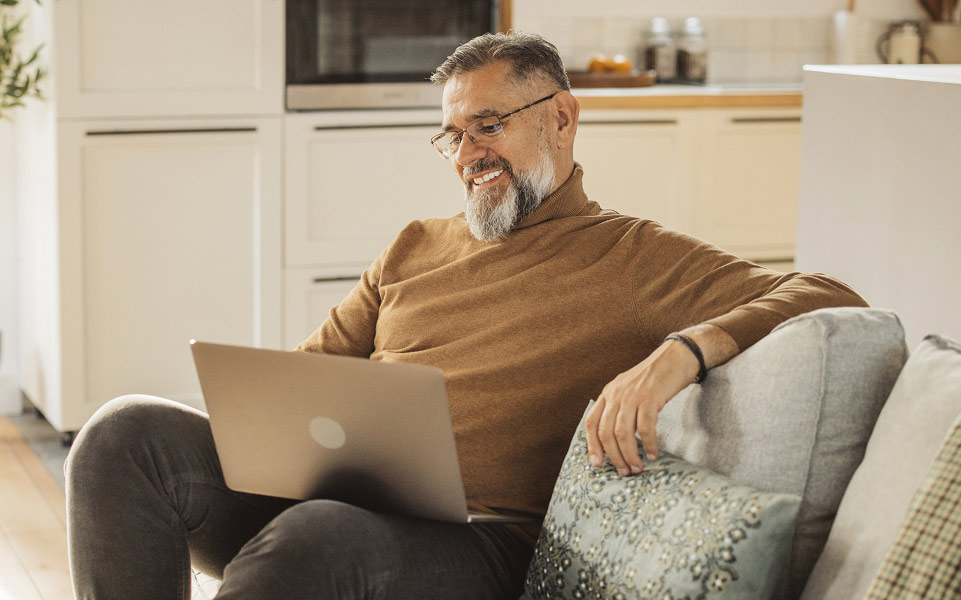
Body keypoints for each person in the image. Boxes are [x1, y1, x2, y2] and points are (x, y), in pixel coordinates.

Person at [65, 31, 866, 600]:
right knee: (123, 435)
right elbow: (297, 387)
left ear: (561, 117)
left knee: (318, 538)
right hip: (336, 510)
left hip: (480, 547)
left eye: (490, 125)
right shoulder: (416, 245)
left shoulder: (635, 255)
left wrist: (681, 354)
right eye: (451, 135)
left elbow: (831, 295)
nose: (468, 154)